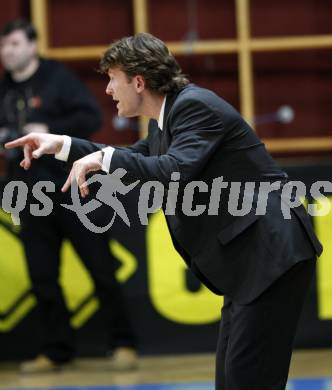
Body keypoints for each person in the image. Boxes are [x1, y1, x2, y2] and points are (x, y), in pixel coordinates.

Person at [6, 32, 322, 389]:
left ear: (138, 81)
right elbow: (140, 156)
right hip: (252, 260)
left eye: (112, 78)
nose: (108, 89)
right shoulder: (167, 119)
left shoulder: (194, 106)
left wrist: (104, 158)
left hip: (271, 254)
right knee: (234, 380)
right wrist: (61, 144)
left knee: (247, 381)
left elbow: (173, 169)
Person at [0, 19, 137, 373]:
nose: (7, 51)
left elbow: (90, 116)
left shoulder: (57, 78)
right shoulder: (4, 90)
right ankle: (55, 350)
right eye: (4, 46)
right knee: (42, 276)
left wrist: (50, 130)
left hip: (73, 190)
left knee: (101, 268)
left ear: (32, 45)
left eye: (14, 44)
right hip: (29, 194)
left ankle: (123, 343)